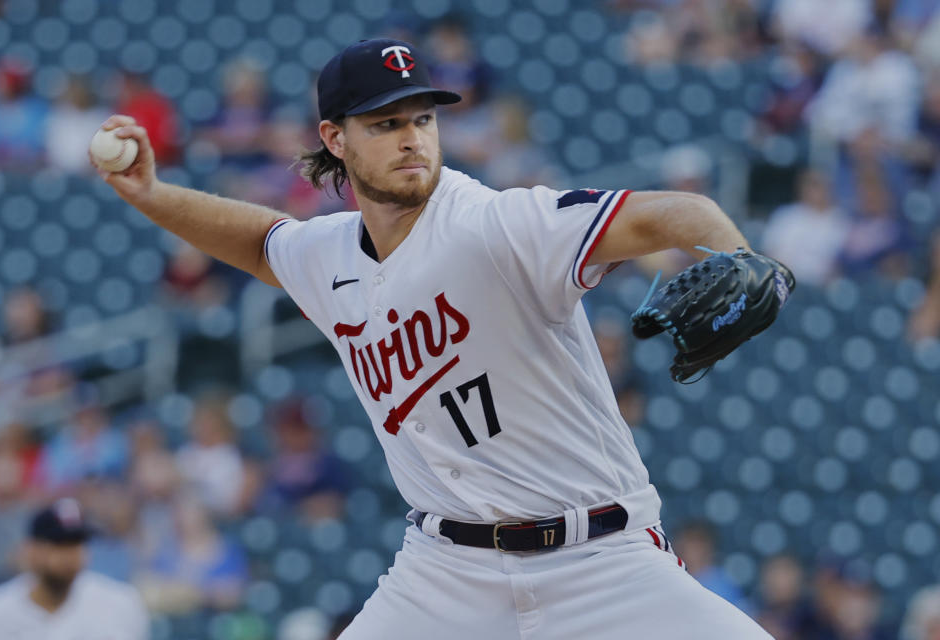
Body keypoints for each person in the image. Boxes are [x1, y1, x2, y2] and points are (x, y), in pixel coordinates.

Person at [93, 38, 775, 638]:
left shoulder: (497, 224)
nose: (412, 137)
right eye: (386, 123)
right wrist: (153, 194)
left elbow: (677, 212)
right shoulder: (327, 256)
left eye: (422, 118)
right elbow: (262, 245)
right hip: (447, 574)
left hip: (601, 557)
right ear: (335, 139)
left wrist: (740, 253)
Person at [0, 499, 149, 639]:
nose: (70, 555)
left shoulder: (121, 604)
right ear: (30, 550)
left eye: (77, 544)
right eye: (59, 544)